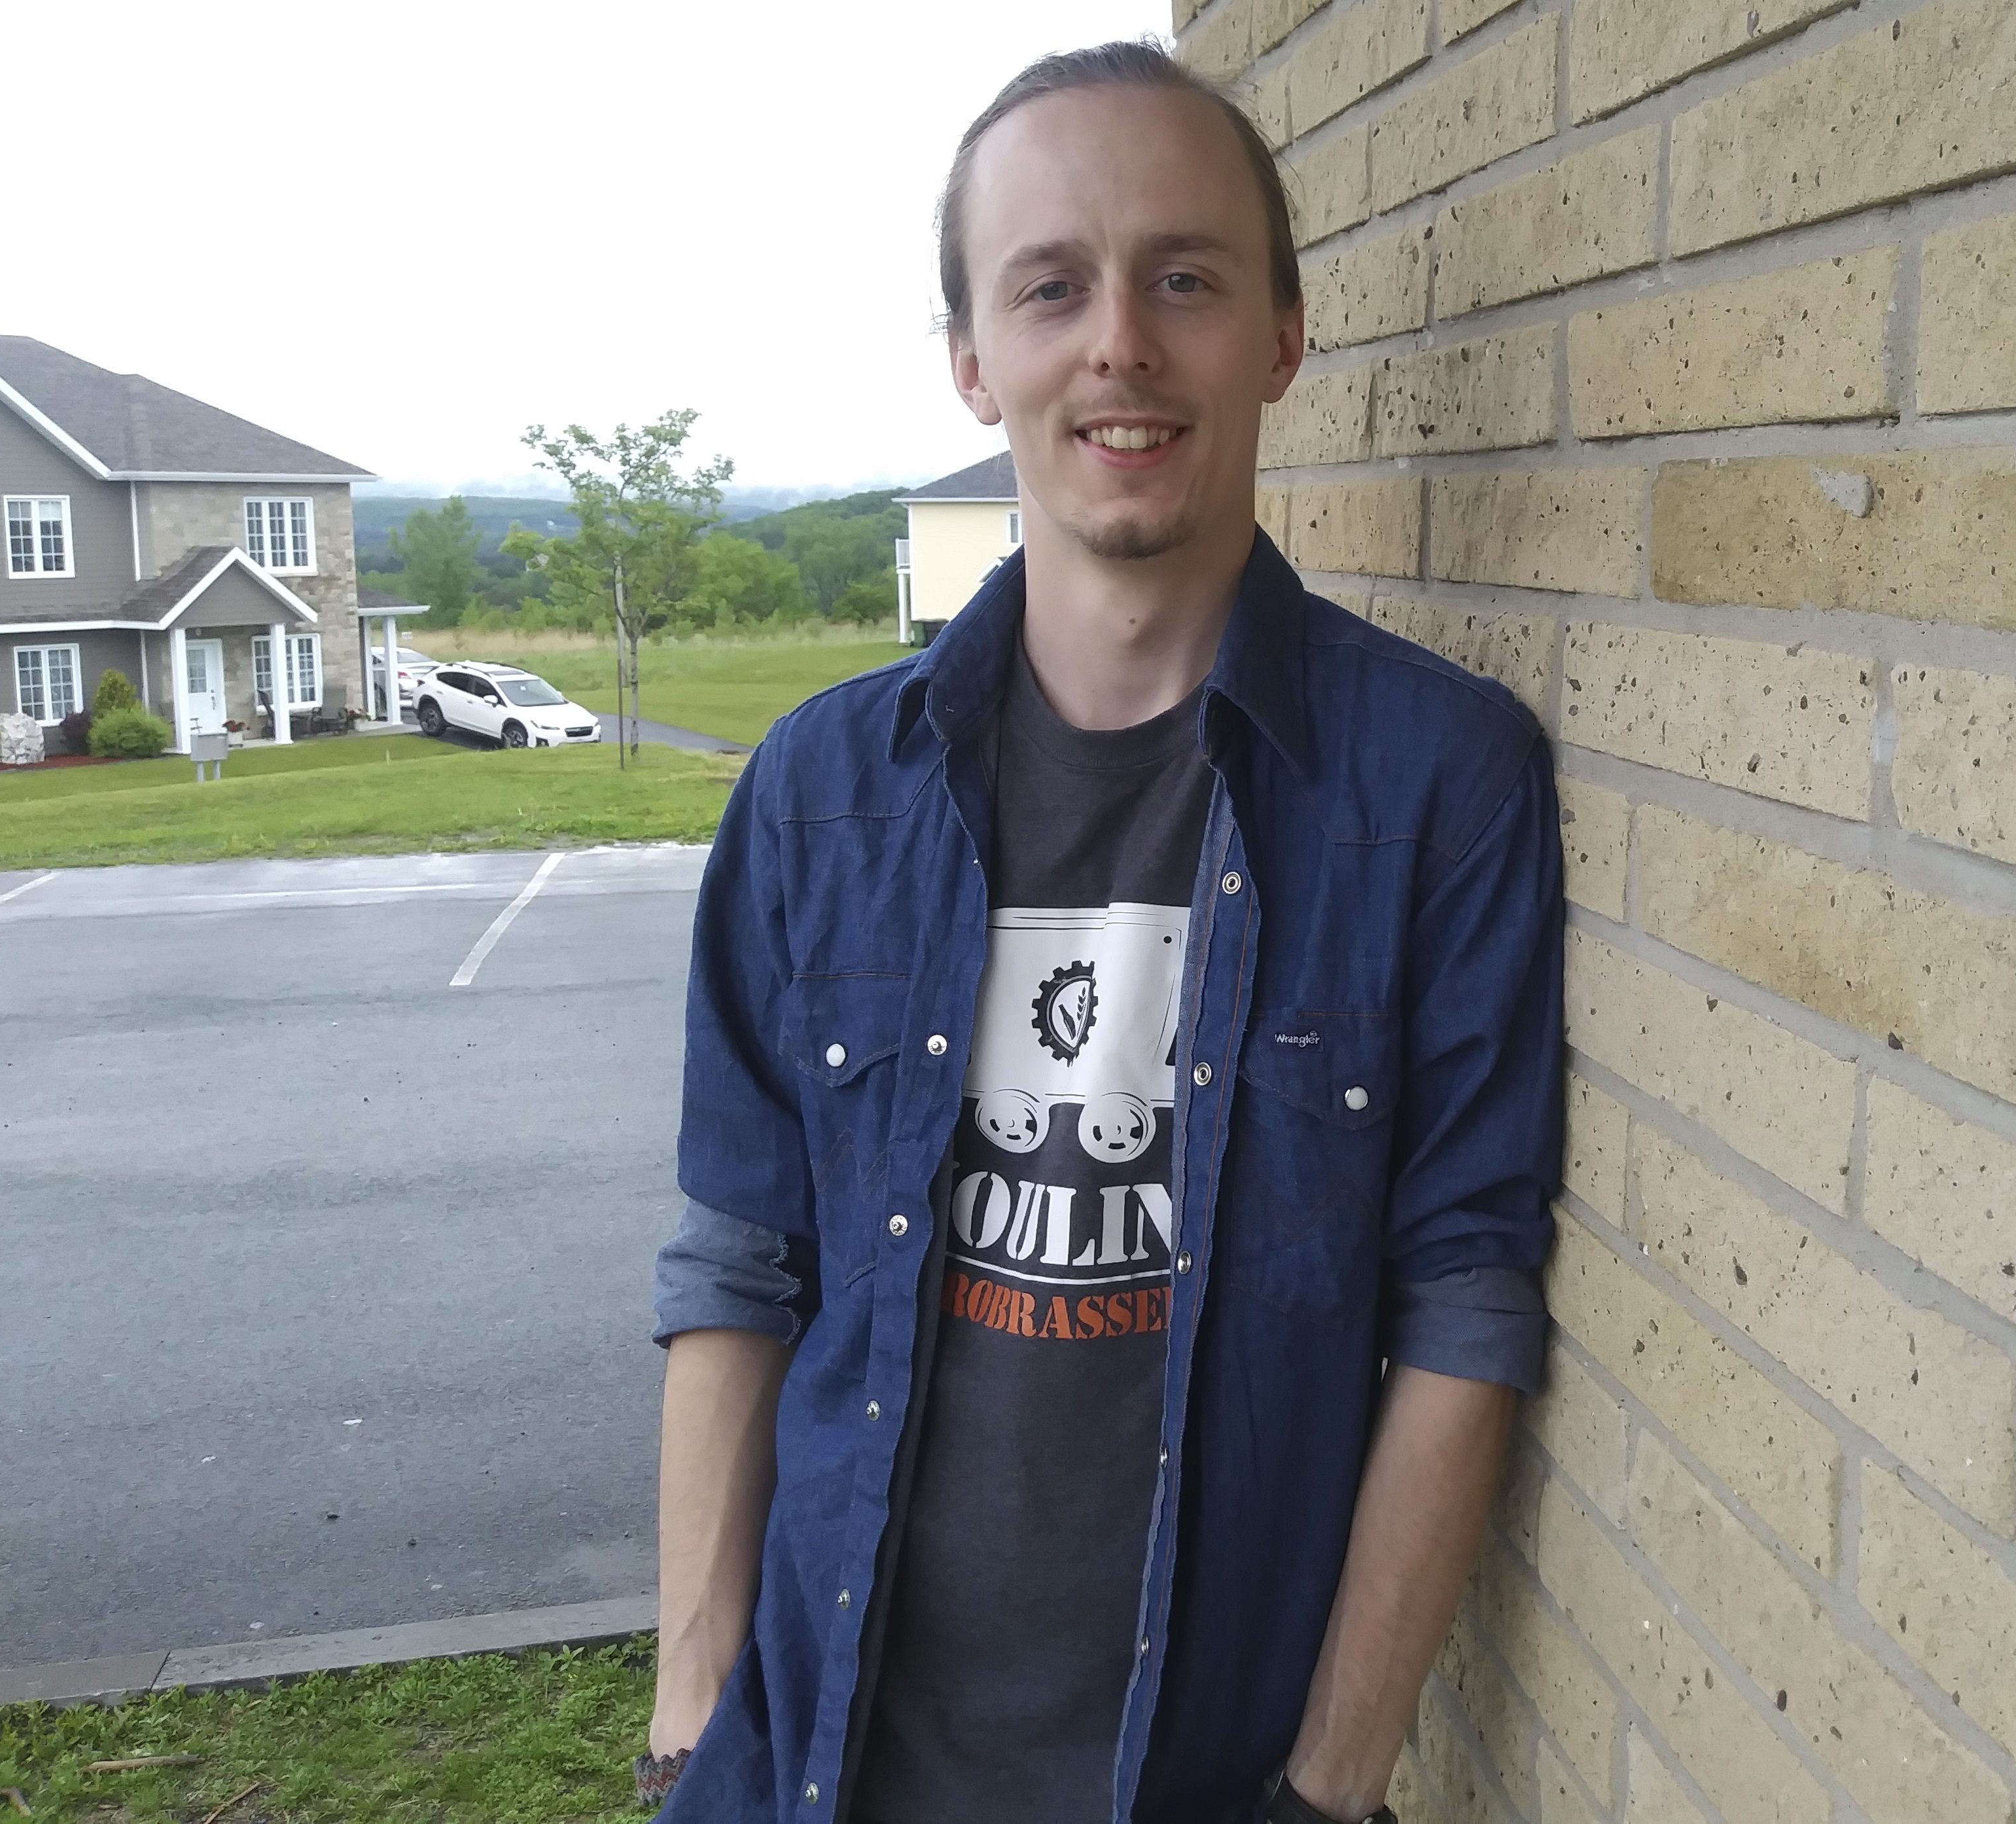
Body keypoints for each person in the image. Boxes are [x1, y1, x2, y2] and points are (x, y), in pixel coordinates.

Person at [641, 40, 1563, 1824]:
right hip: (818, 1762)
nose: (1119, 343)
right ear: (972, 358)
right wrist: (696, 1712)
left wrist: (1326, 1787)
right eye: (1050, 285)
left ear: (1282, 335)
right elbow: (740, 1264)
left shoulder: (1437, 785)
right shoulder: (817, 793)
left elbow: (1465, 1297)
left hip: (1214, 1774)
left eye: (1185, 278)